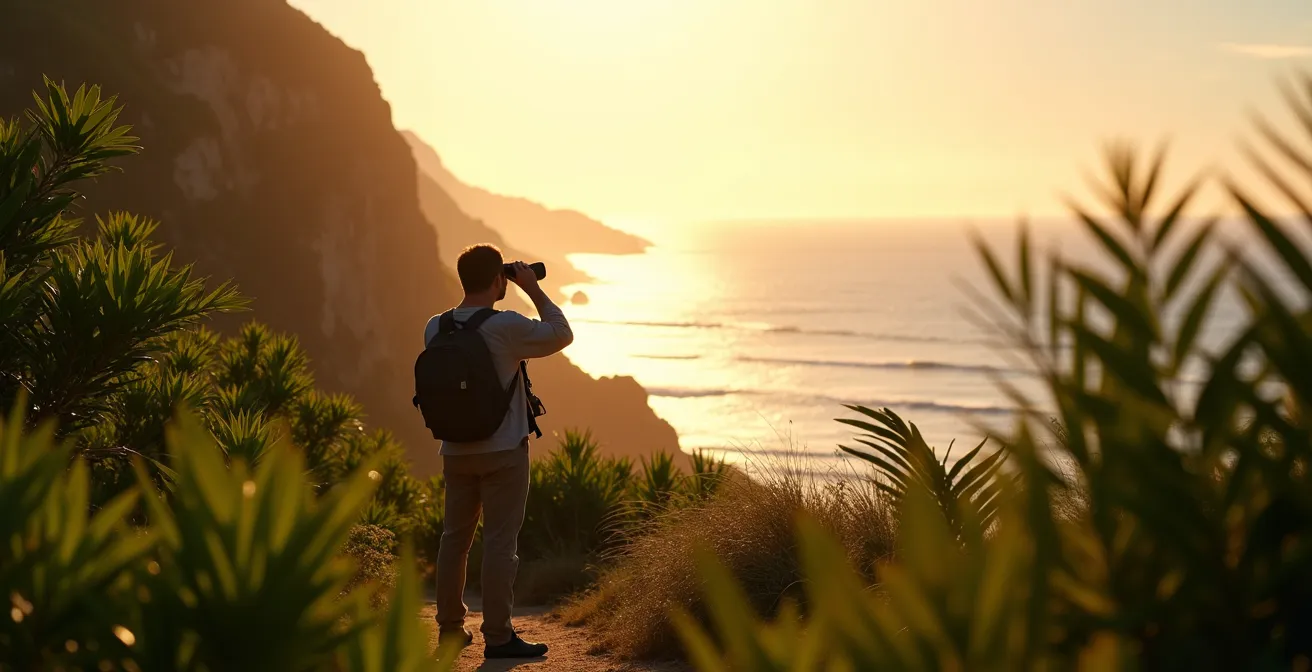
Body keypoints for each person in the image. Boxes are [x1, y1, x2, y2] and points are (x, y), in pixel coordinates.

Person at [428, 244, 572, 659]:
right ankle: (498, 636)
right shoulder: (505, 326)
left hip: (454, 451)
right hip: (504, 451)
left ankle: (450, 630)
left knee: (454, 540)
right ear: (498, 280)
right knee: (498, 544)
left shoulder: (435, 327)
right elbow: (561, 333)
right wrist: (532, 289)